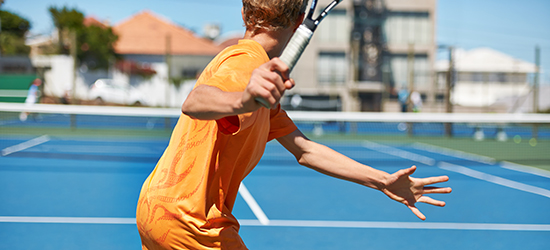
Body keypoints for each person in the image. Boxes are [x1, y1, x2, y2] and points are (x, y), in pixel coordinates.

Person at [136, 1, 451, 249]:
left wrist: (382, 180)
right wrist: (241, 100)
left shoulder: (254, 75)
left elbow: (305, 151)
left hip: (154, 209)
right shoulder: (246, 63)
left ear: (245, 13)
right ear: (299, 21)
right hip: (191, 224)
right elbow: (195, 102)